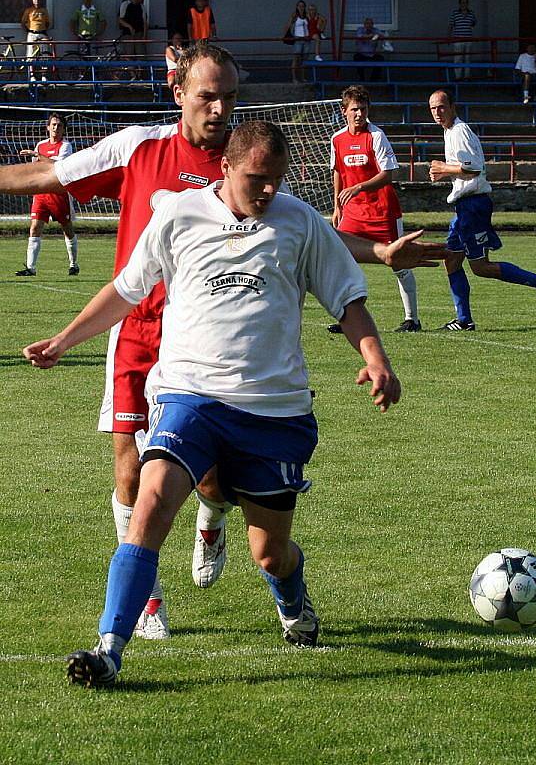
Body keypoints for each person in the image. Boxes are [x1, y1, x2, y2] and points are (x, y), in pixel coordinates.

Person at [0, 42, 446, 644]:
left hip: (242, 367)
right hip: (141, 332)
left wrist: (380, 251)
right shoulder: (138, 148)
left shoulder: (248, 166)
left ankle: (214, 512)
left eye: (230, 97)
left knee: (233, 508)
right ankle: (136, 615)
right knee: (136, 477)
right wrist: (65, 337)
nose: (219, 108)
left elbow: (313, 239)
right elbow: (44, 177)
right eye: (208, 95)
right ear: (178, 90)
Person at [23, 120, 403, 688]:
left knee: (270, 553)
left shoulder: (299, 222)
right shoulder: (177, 214)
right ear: (225, 167)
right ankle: (109, 649)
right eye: (257, 178)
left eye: (277, 179)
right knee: (150, 502)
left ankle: (293, 603)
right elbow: (127, 289)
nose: (268, 190)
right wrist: (63, 340)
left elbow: (346, 299)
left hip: (273, 410)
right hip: (189, 394)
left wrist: (376, 358)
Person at [428, 89, 536, 330]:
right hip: (464, 207)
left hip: (473, 206)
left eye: (441, 107)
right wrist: (445, 170)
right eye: (433, 108)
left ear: (452, 106)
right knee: (451, 260)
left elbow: (474, 168)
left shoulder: (459, 131)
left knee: (480, 267)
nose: (437, 112)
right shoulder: (450, 132)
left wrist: (444, 168)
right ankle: (464, 320)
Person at [330, 85, 420, 332]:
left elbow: (388, 174)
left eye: (363, 109)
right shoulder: (337, 139)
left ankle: (412, 319)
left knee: (398, 262)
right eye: (355, 110)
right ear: (344, 111)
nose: (359, 114)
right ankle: (347, 317)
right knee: (343, 259)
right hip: (353, 212)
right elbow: (338, 171)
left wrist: (358, 187)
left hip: (382, 210)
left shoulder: (376, 136)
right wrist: (337, 206)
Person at [16, 113, 79, 278]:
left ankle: (73, 264)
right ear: (48, 127)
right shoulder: (40, 145)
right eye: (53, 125)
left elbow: (60, 165)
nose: (55, 128)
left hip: (59, 193)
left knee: (67, 229)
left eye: (59, 125)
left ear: (64, 129)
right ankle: (31, 268)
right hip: (41, 193)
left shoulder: (66, 146)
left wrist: (38, 157)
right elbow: (37, 168)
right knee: (35, 227)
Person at [21, 0, 51, 83]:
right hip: (32, 34)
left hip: (42, 33)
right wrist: (29, 30)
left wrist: (43, 29)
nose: (37, 1)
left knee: (44, 54)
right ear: (32, 0)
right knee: (31, 55)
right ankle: (32, 75)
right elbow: (23, 22)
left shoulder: (44, 11)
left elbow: (48, 23)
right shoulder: (29, 11)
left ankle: (44, 75)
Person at [118, 0, 148, 80]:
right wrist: (129, 27)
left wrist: (144, 35)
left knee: (141, 55)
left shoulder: (142, 6)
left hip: (139, 33)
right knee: (128, 54)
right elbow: (120, 19)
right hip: (128, 34)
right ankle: (133, 74)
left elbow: (145, 22)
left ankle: (139, 75)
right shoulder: (125, 5)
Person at [448, 0, 476, 81]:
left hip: (468, 40)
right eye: (462, 3)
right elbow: (450, 26)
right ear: (459, 4)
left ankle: (466, 77)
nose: (464, 4)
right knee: (458, 58)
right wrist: (449, 37)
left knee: (467, 58)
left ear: (467, 4)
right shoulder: (455, 13)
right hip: (458, 40)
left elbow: (473, 24)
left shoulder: (471, 14)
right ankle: (458, 77)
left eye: (465, 3)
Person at [284, 1, 310, 84]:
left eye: (302, 6)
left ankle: (302, 78)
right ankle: (294, 78)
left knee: (304, 60)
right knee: (296, 59)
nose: (301, 8)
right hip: (298, 40)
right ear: (297, 7)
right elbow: (288, 25)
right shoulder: (295, 15)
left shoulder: (307, 16)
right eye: (299, 6)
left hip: (306, 40)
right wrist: (287, 35)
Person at [353, 18, 385, 82]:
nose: (369, 25)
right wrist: (373, 36)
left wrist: (376, 36)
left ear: (373, 25)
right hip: (362, 54)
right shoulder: (360, 29)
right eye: (367, 23)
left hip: (372, 54)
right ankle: (361, 79)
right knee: (356, 57)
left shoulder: (375, 30)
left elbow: (382, 36)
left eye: (371, 23)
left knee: (380, 59)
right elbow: (360, 36)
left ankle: (373, 80)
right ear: (364, 24)